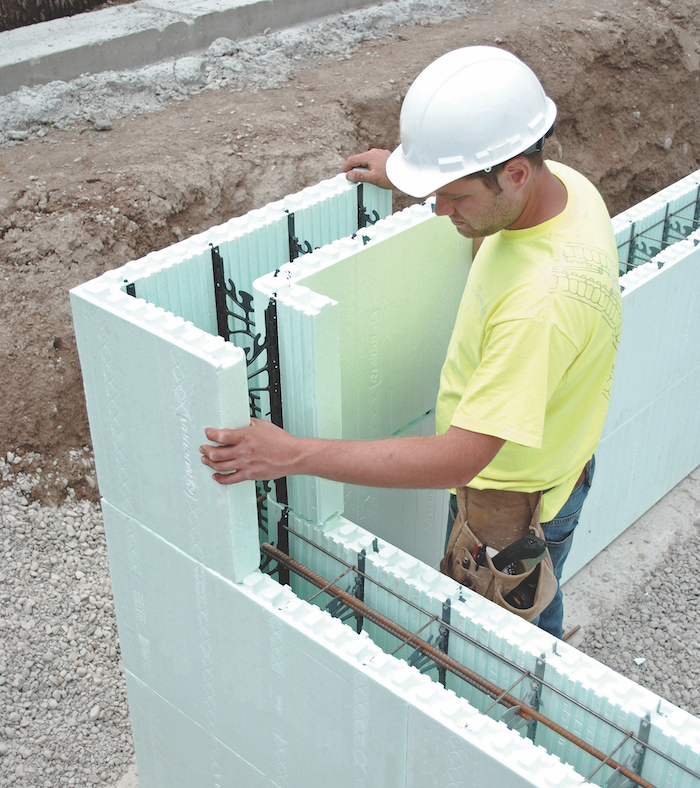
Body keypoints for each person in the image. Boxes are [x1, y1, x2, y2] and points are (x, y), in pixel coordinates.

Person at [200, 46, 622, 639]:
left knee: (505, 651)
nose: (437, 208)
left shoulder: (541, 306)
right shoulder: (564, 192)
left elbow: (459, 456)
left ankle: (528, 717)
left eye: (454, 196)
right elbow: (480, 199)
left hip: (507, 511)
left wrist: (290, 454)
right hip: (556, 462)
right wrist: (411, 173)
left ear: (515, 173)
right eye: (434, 190)